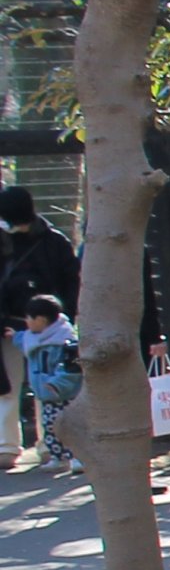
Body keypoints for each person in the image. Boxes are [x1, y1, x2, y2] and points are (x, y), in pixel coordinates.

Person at [0, 185, 79, 471]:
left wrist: (64, 316)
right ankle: (6, 447)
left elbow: (71, 280)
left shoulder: (53, 242)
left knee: (48, 388)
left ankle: (52, 446)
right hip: (9, 326)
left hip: (49, 329)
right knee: (7, 387)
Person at [15, 294, 78, 478]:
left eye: (28, 317)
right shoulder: (36, 336)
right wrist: (13, 336)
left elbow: (69, 366)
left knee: (71, 427)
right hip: (47, 395)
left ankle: (77, 456)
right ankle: (59, 458)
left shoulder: (64, 340)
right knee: (50, 427)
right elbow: (23, 341)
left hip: (64, 393)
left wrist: (57, 383)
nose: (26, 321)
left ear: (41, 320)